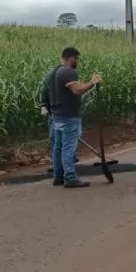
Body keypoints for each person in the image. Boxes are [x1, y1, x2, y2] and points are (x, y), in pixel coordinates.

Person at [49, 47, 102, 188]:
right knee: (68, 148)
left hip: (57, 116)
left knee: (58, 147)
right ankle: (70, 178)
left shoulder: (54, 72)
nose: (77, 62)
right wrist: (93, 82)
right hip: (68, 117)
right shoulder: (68, 72)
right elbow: (77, 90)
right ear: (72, 58)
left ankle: (58, 176)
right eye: (77, 59)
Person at [37, 65, 78, 173]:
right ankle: (61, 167)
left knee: (61, 141)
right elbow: (43, 90)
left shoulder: (60, 76)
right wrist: (43, 106)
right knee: (56, 139)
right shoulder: (50, 77)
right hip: (54, 112)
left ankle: (63, 165)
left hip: (59, 112)